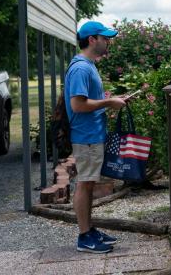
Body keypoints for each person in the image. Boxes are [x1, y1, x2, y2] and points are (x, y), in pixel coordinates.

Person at [65, 21, 126, 254]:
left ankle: (89, 230)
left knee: (89, 184)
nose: (108, 41)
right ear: (92, 40)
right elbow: (78, 105)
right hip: (86, 136)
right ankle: (84, 237)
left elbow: (87, 102)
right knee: (84, 184)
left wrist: (112, 101)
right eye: (105, 37)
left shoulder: (87, 65)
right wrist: (109, 102)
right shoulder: (81, 68)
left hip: (91, 135)